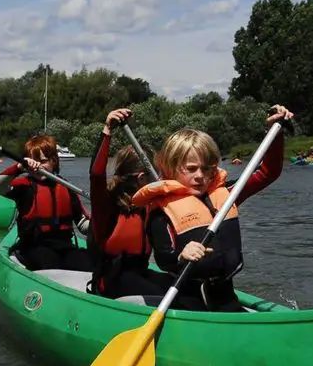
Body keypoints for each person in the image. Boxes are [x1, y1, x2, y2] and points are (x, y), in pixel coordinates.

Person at [132, 105, 293, 312]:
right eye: (191, 169)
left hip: (225, 297)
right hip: (187, 302)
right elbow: (164, 259)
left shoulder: (227, 194)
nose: (200, 175)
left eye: (207, 169)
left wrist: (275, 132)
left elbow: (268, 173)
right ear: (170, 167)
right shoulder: (160, 211)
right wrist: (181, 255)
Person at [87, 109, 201, 306]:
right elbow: (96, 174)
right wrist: (107, 130)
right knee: (177, 298)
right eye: (155, 175)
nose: (160, 180)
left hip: (140, 274)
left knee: (192, 290)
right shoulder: (106, 206)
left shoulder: (151, 204)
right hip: (111, 282)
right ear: (141, 179)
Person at [0, 135, 91, 271]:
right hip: (33, 247)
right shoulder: (24, 185)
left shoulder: (66, 187)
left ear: (54, 161)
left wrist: (100, 226)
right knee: (49, 261)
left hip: (65, 247)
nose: (38, 166)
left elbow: (81, 222)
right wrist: (19, 166)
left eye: (43, 161)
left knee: (89, 263)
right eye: (33, 162)